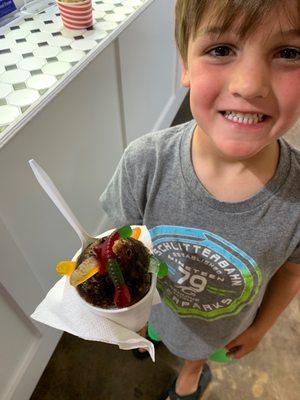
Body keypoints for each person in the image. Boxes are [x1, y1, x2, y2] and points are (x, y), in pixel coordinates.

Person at [100, 0, 300, 399]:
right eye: (221, 49)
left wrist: (260, 328)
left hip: (224, 327)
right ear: (185, 64)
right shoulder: (145, 163)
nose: (250, 84)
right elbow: (122, 245)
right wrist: (133, 313)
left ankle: (192, 371)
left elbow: (292, 272)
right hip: (158, 307)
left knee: (197, 352)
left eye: (288, 53)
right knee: (157, 331)